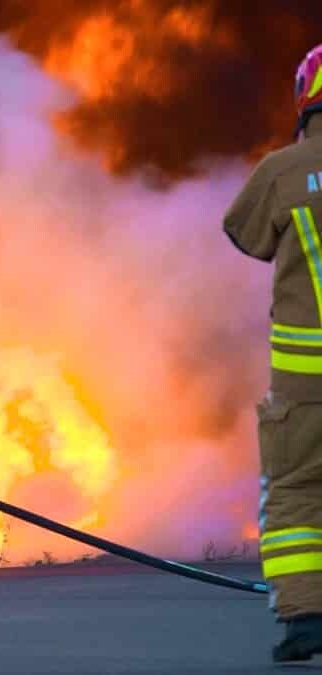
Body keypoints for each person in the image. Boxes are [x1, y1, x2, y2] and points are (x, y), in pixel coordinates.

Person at [224, 44, 322, 662]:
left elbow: (245, 232)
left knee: (295, 493)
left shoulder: (282, 172)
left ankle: (307, 619)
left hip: (305, 386)